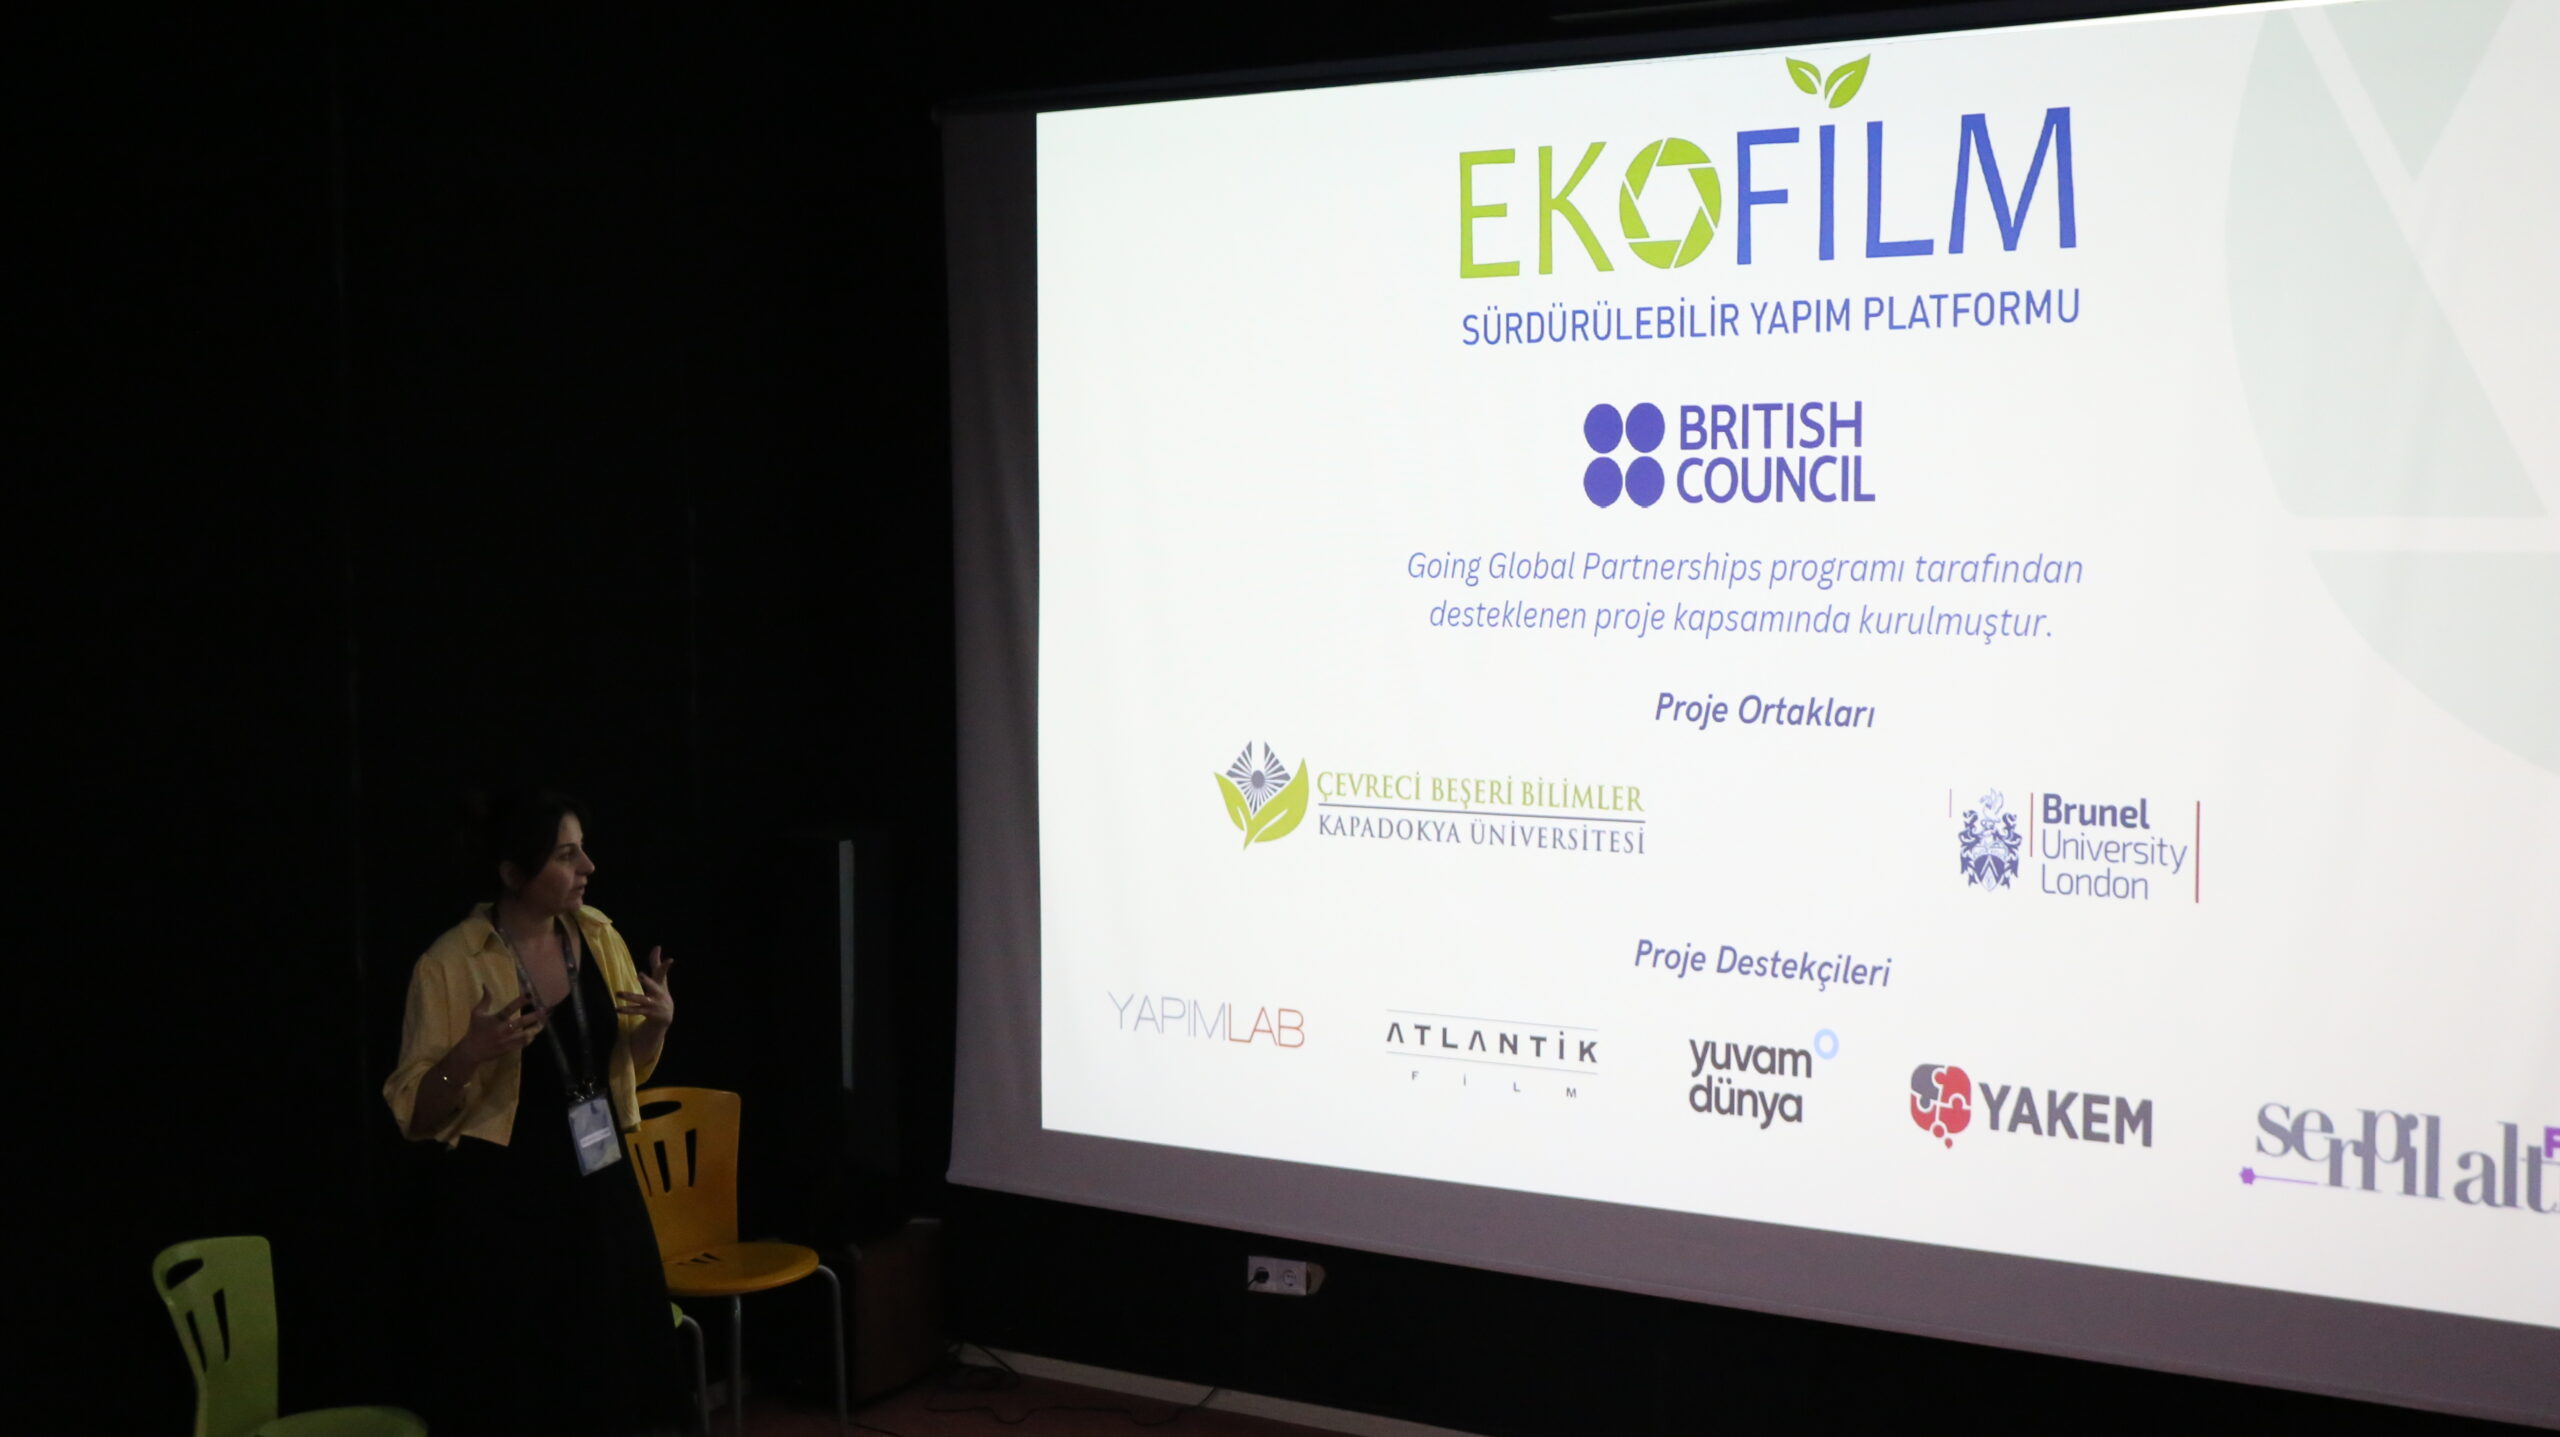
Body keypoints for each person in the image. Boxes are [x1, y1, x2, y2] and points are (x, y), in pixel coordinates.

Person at [383, 790, 688, 1436]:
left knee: (617, 1372)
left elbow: (626, 1066)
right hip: (509, 1202)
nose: (588, 868)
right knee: (532, 1385)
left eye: (583, 851)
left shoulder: (597, 935)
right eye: (566, 855)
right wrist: (468, 1054)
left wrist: (657, 1026)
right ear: (514, 874)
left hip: (601, 1182)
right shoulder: (448, 963)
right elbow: (416, 1117)